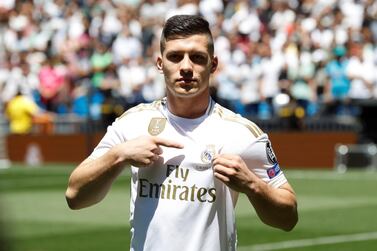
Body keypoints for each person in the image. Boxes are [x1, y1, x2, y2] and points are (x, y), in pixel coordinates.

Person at [65, 15, 298, 251]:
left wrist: (252, 185)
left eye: (197, 58)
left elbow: (288, 218)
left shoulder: (240, 133)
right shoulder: (132, 123)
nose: (186, 67)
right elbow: (75, 195)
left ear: (213, 65)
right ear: (159, 63)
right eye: (175, 57)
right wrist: (119, 155)